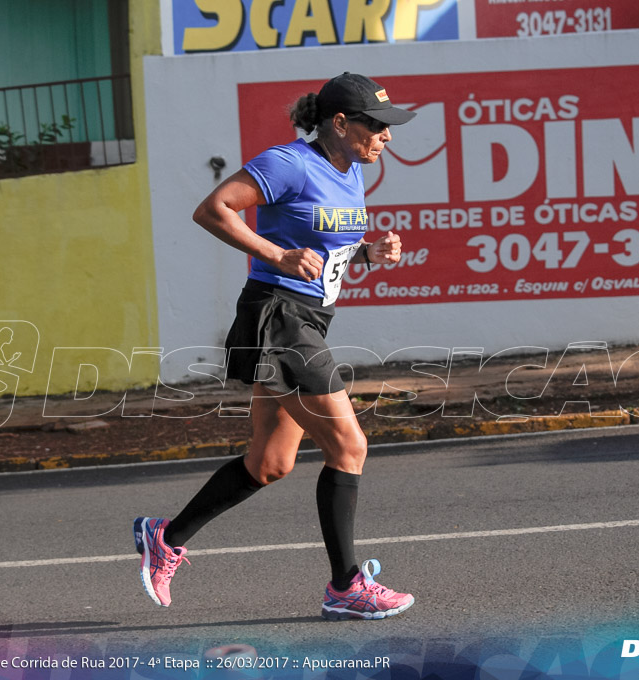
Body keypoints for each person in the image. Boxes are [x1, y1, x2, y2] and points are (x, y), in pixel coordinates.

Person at [134, 72, 416, 620]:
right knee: (349, 447)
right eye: (377, 126)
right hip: (279, 318)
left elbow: (320, 245)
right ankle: (346, 587)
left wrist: (366, 255)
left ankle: (167, 537)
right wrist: (275, 255)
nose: (387, 136)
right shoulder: (289, 163)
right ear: (340, 123)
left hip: (307, 317)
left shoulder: (351, 169)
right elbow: (213, 209)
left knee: (270, 462)